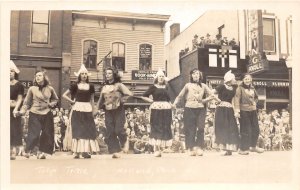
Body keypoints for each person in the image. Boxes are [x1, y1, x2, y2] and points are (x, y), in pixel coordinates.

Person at [173, 68, 216, 156]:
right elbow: (179, 96)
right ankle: (191, 148)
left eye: (198, 74)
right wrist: (174, 104)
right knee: (190, 129)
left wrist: (203, 101)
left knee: (201, 128)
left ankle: (199, 147)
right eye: (194, 74)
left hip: (200, 109)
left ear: (200, 76)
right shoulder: (187, 85)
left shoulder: (203, 85)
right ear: (191, 76)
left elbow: (212, 95)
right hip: (189, 109)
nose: (196, 75)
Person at [19, 69, 59, 159]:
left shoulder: (50, 89)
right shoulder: (32, 89)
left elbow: (55, 99)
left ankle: (41, 153)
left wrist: (51, 104)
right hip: (34, 113)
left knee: (47, 134)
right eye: (36, 76)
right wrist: (22, 111)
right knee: (34, 133)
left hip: (47, 113)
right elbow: (26, 103)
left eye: (40, 75)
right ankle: (28, 150)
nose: (38, 77)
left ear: (44, 77)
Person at [62, 64, 99, 159]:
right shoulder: (75, 85)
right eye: (82, 74)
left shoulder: (91, 86)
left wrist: (94, 109)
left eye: (85, 74)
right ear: (79, 75)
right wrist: (72, 101)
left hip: (87, 108)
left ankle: (85, 151)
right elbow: (64, 95)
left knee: (87, 129)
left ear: (87, 75)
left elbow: (92, 99)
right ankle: (77, 152)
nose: (84, 75)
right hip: (77, 108)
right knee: (77, 129)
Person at [97, 67, 133, 158]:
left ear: (113, 74)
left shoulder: (119, 85)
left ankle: (125, 141)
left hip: (118, 110)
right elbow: (100, 100)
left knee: (119, 130)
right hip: (108, 111)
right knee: (110, 131)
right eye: (106, 73)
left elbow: (130, 94)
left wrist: (121, 100)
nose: (107, 75)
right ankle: (115, 151)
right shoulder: (104, 87)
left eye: (109, 73)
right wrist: (96, 109)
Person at [140, 69, 173, 157]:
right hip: (156, 109)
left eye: (162, 76)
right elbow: (144, 96)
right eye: (160, 76)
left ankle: (161, 147)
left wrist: (171, 105)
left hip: (166, 109)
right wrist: (151, 101)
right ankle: (156, 148)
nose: (161, 78)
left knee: (165, 126)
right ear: (157, 78)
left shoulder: (166, 87)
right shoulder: (153, 87)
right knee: (156, 126)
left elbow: (168, 98)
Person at [234, 73, 264, 155]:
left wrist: (255, 102)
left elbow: (257, 97)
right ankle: (243, 149)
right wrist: (237, 111)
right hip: (243, 111)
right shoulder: (239, 88)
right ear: (243, 80)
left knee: (256, 129)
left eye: (249, 79)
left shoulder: (252, 88)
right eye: (246, 79)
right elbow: (237, 99)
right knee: (246, 130)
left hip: (253, 110)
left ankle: (253, 146)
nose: (248, 80)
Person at [214, 70, 240, 156]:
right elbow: (211, 93)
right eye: (233, 78)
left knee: (231, 127)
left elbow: (235, 100)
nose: (234, 80)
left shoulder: (234, 88)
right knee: (222, 127)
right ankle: (223, 148)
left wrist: (236, 111)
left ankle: (229, 149)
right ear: (229, 79)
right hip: (221, 109)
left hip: (229, 109)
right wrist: (217, 100)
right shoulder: (221, 86)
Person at [10, 60, 25, 160]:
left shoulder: (19, 85)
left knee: (15, 129)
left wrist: (16, 109)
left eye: (11, 71)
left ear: (15, 72)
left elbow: (20, 98)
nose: (9, 73)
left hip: (14, 109)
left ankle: (14, 151)